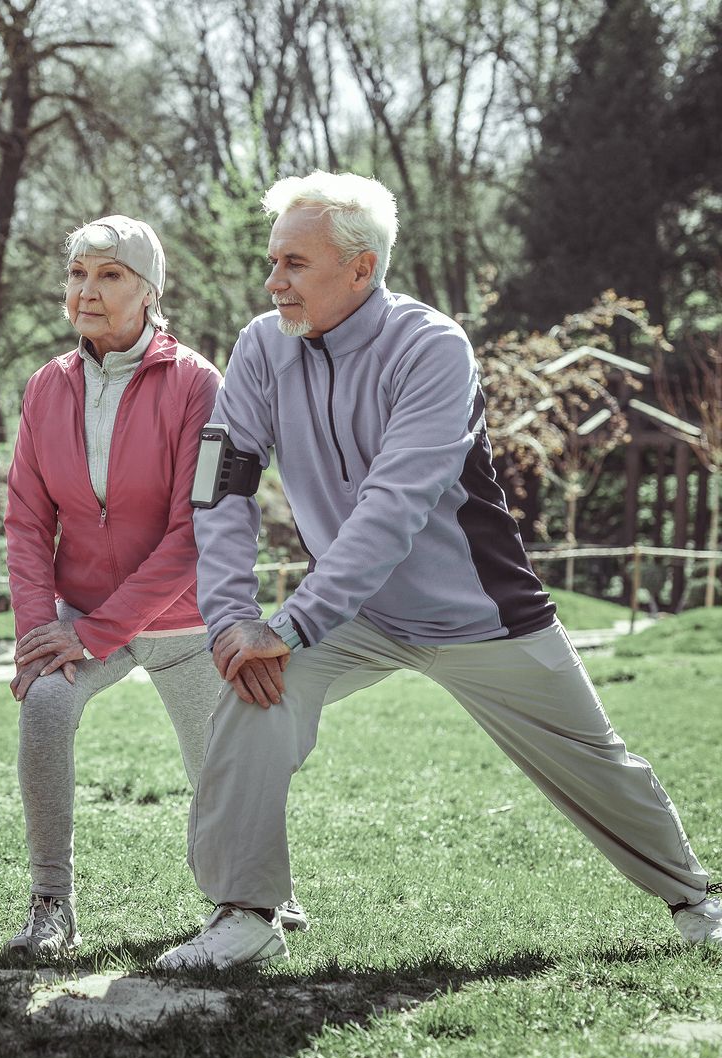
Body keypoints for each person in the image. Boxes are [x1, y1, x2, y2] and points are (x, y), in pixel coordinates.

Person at [155, 172, 722, 970]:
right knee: (251, 692)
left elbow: (394, 507)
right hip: (352, 615)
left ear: (362, 268)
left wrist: (288, 623)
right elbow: (223, 488)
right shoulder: (259, 346)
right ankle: (247, 912)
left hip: (480, 614)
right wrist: (233, 621)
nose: (272, 280)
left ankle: (695, 899)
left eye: (294, 262)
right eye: (271, 259)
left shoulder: (432, 347)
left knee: (600, 763)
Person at [1, 215, 302, 957]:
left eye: (110, 275)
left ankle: (269, 892)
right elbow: (26, 521)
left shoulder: (198, 382)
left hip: (185, 620)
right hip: (80, 614)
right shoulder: (46, 387)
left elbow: (193, 531)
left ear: (149, 290)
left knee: (223, 766)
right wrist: (41, 633)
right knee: (44, 702)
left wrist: (91, 631)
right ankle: (51, 905)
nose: (88, 290)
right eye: (78, 274)